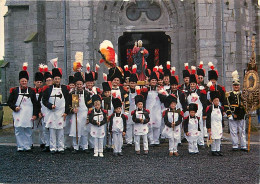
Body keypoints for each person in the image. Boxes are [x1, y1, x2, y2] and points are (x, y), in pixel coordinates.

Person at [7, 62, 38, 152]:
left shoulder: (31, 91)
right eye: (22, 81)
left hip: (28, 114)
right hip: (18, 114)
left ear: (27, 82)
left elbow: (35, 104)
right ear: (19, 82)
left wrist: (35, 114)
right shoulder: (15, 91)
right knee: (19, 130)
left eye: (25, 81)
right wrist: (14, 107)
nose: (24, 83)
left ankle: (27, 145)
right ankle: (20, 146)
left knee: (28, 130)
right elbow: (9, 102)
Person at [42, 67, 70, 154]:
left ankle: (61, 147)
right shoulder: (48, 89)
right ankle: (53, 147)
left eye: (58, 79)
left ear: (60, 79)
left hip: (61, 113)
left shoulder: (65, 89)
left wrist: (66, 112)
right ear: (53, 79)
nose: (57, 80)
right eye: (55, 79)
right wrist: (50, 106)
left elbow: (68, 101)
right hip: (52, 113)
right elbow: (44, 100)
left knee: (61, 131)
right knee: (52, 131)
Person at [224, 70, 247, 151]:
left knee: (242, 131)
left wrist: (246, 113)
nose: (236, 86)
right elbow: (226, 105)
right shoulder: (229, 94)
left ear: (239, 86)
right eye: (235, 85)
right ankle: (235, 145)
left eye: (237, 85)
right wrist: (229, 115)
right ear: (232, 86)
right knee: (233, 131)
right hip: (233, 114)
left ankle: (243, 145)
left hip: (241, 114)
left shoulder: (243, 94)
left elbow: (246, 104)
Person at [69, 72, 92, 153]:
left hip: (84, 113)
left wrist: (89, 117)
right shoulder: (73, 93)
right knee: (76, 130)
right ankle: (76, 146)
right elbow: (70, 105)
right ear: (75, 84)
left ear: (83, 84)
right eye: (77, 84)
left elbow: (90, 106)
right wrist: (73, 109)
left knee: (84, 130)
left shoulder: (86, 93)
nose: (79, 86)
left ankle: (85, 146)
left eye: (80, 84)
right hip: (76, 114)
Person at [185, 70, 207, 148]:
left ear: (196, 84)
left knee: (199, 127)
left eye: (194, 84)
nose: (192, 85)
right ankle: (191, 142)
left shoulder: (201, 92)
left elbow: (204, 103)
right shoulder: (187, 92)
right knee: (191, 127)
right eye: (191, 84)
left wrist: (204, 113)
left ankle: (201, 142)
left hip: (199, 112)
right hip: (190, 112)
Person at [143, 70, 162, 146]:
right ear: (150, 81)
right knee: (149, 125)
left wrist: (160, 92)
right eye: (152, 80)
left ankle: (156, 140)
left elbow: (164, 98)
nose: (154, 81)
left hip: (157, 109)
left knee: (157, 125)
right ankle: (151, 140)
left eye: (155, 80)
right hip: (149, 109)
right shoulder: (146, 89)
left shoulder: (159, 89)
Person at [206, 84, 224, 156]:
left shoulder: (220, 108)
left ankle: (218, 149)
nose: (217, 102)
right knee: (213, 138)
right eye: (215, 101)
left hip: (219, 125)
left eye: (218, 100)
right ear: (212, 101)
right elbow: (208, 118)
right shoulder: (210, 108)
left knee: (218, 138)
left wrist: (222, 125)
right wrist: (209, 128)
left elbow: (221, 117)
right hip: (212, 125)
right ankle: (213, 150)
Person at [131, 86, 150, 155]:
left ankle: (146, 149)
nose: (140, 106)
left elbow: (148, 119)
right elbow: (133, 119)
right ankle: (137, 149)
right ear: (136, 105)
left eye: (141, 104)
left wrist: (144, 121)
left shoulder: (145, 111)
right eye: (139, 104)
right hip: (137, 126)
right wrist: (139, 120)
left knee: (145, 139)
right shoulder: (134, 112)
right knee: (137, 139)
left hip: (144, 126)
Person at [39, 69, 53, 152]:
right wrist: (39, 112)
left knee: (52, 129)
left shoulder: (55, 89)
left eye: (50, 80)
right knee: (45, 129)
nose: (49, 82)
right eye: (47, 80)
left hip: (53, 111)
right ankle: (47, 144)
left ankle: (53, 144)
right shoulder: (42, 90)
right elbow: (39, 102)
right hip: (44, 112)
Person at [33, 66, 45, 149]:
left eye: (41, 82)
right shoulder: (31, 91)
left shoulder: (43, 91)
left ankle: (42, 142)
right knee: (32, 129)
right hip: (34, 111)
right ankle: (31, 143)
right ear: (34, 82)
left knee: (42, 129)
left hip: (41, 111)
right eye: (38, 82)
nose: (39, 84)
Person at [125, 71, 138, 146]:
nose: (132, 84)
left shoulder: (138, 91)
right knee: (129, 125)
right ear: (129, 83)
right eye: (131, 83)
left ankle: (135, 140)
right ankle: (129, 140)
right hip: (128, 109)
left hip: (135, 109)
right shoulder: (126, 91)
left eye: (134, 83)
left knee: (135, 124)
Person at [64, 75, 75, 150]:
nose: (71, 86)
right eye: (70, 85)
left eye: (73, 85)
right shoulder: (66, 92)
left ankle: (73, 144)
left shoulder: (75, 93)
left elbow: (75, 104)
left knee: (73, 128)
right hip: (66, 112)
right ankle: (66, 144)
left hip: (72, 112)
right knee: (67, 129)